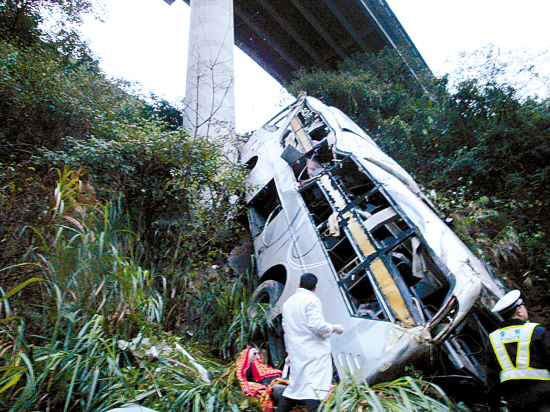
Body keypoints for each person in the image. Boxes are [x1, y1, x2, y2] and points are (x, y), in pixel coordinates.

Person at [275, 273, 344, 412]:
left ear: (299, 284)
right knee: (316, 388)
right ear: (315, 288)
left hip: (296, 351)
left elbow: (286, 329)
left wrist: (289, 352)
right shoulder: (311, 300)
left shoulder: (288, 303)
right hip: (313, 352)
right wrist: (334, 328)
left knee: (295, 387)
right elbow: (317, 326)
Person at [485, 289, 550, 412]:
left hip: (517, 403)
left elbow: (491, 378)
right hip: (545, 398)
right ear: (518, 310)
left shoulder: (493, 340)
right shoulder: (537, 331)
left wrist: (494, 404)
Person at [236, 346, 288, 412]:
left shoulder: (260, 365)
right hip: (264, 384)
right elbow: (242, 378)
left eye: (257, 354)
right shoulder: (245, 366)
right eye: (254, 354)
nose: (256, 356)